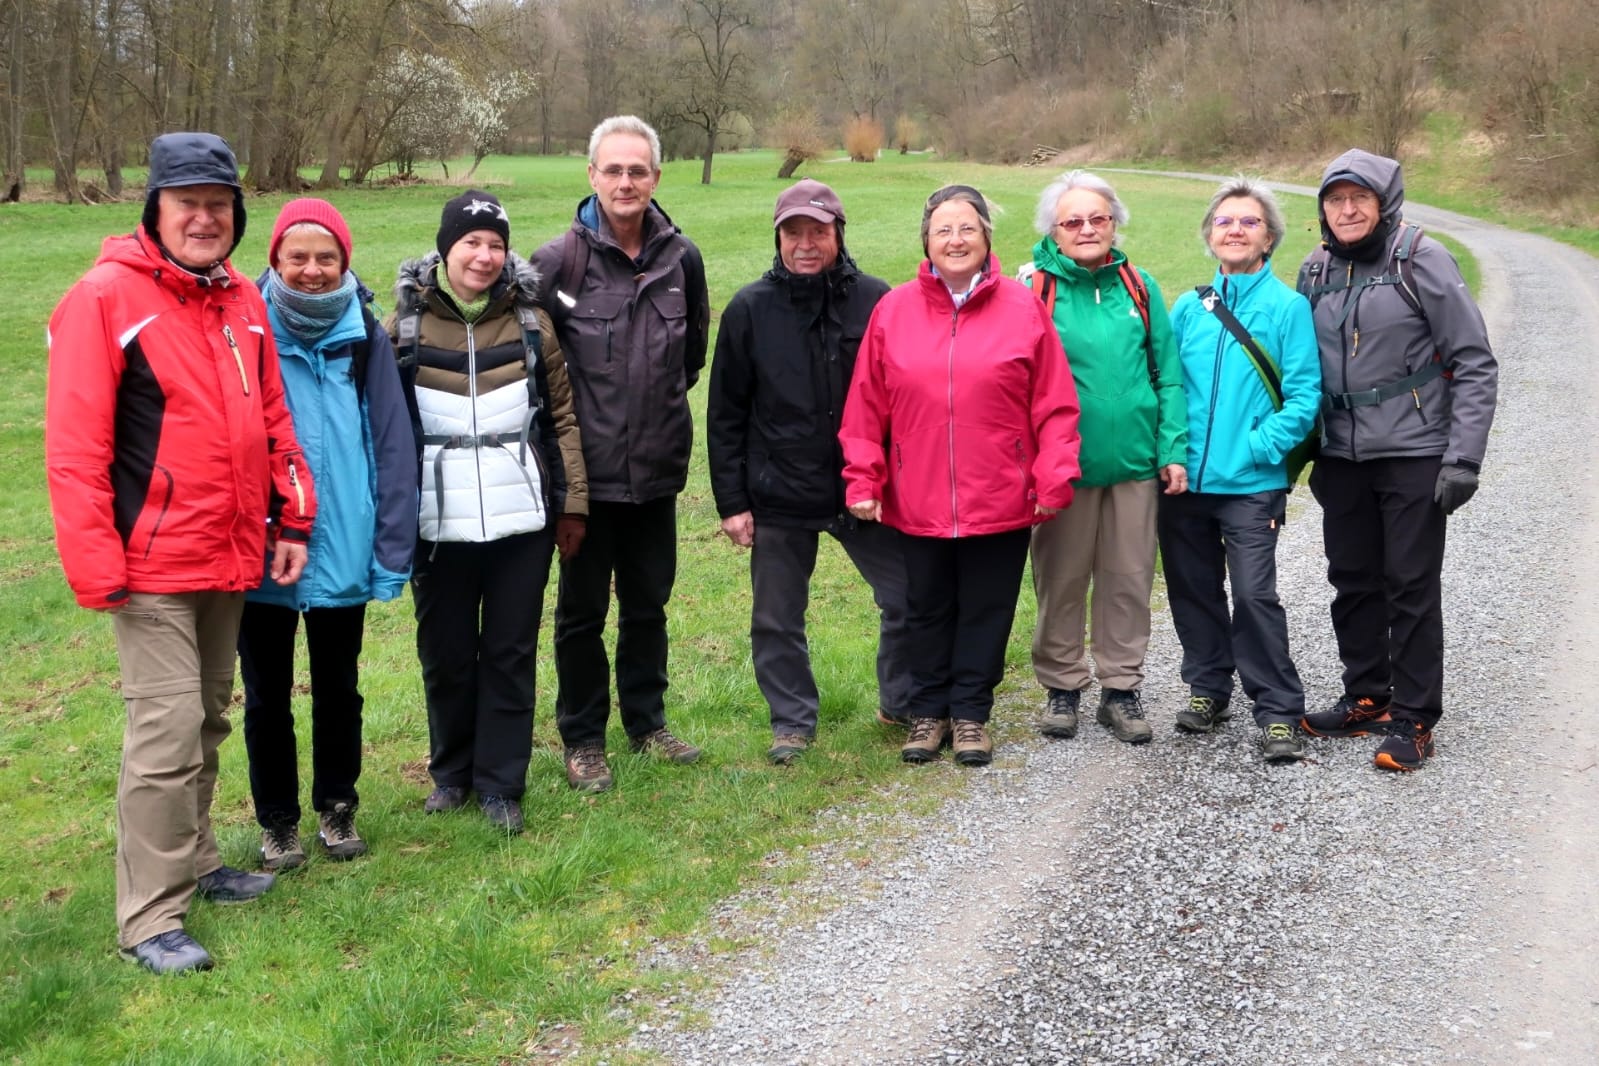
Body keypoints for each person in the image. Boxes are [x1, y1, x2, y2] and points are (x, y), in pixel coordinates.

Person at [45, 132, 317, 974]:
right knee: (162, 739)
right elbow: (74, 447)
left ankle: (197, 864)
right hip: (150, 563)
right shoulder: (105, 297)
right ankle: (147, 919)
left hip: (229, 550)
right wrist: (97, 565)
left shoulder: (240, 298)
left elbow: (274, 418)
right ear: (154, 209)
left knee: (207, 719)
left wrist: (293, 519)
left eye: (219, 204)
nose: (204, 218)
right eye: (187, 203)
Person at [840, 184, 1081, 768]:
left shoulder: (1023, 309)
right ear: (926, 240)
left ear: (986, 238)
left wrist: (1053, 477)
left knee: (986, 607)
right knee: (925, 607)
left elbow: (1054, 403)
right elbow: (866, 406)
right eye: (944, 229)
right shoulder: (893, 311)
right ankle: (928, 714)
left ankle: (971, 714)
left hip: (998, 491)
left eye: (967, 228)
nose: (956, 239)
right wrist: (863, 479)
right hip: (916, 496)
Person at [391, 189, 588, 832]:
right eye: (470, 242)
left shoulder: (532, 323)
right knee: (445, 653)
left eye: (495, 244)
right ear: (446, 247)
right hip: (435, 521)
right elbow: (384, 429)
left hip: (521, 521)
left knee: (509, 652)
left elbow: (561, 417)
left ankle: (502, 782)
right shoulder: (404, 327)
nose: (483, 255)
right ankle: (450, 774)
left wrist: (572, 505)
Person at [1296, 149, 1497, 771]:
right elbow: (1298, 367)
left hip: (1413, 450)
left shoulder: (1421, 258)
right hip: (1342, 454)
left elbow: (1473, 360)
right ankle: (1368, 695)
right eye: (1335, 199)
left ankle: (1413, 719)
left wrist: (1463, 457)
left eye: (1360, 198)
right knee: (1352, 579)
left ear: (1385, 203)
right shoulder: (1315, 268)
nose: (1347, 209)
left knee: (1409, 583)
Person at [237, 199, 417, 870]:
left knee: (339, 687)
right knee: (265, 696)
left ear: (344, 261)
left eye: (326, 258)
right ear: (275, 260)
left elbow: (392, 441)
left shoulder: (365, 335)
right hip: (264, 545)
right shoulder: (245, 326)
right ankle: (276, 821)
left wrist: (392, 541)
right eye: (297, 257)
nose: (311, 271)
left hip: (343, 534)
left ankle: (337, 810)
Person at [707, 179, 911, 765]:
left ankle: (899, 701)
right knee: (776, 618)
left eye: (817, 232)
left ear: (838, 235)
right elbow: (725, 413)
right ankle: (792, 723)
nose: (805, 243)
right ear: (777, 238)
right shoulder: (749, 309)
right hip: (779, 491)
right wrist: (731, 501)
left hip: (863, 489)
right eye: (793, 232)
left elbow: (903, 398)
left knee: (906, 597)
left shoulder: (877, 300)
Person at [532, 116, 709, 792]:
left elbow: (690, 358)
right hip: (587, 482)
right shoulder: (557, 264)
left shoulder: (680, 259)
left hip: (657, 475)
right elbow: (538, 371)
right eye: (613, 170)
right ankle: (582, 739)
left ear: (655, 178)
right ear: (592, 176)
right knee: (581, 614)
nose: (626, 181)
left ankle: (646, 722)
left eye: (638, 170)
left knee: (647, 605)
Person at [1019, 171, 1188, 746]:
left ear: (1115, 223)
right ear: (1054, 232)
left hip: (1136, 466)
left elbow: (1167, 376)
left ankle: (1120, 690)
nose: (1087, 228)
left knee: (1128, 581)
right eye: (1073, 221)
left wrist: (1170, 450)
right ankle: (1062, 688)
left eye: (1098, 218)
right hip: (1061, 470)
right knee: (1060, 580)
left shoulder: (1141, 287)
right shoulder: (1033, 290)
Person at [1161, 178, 1321, 762]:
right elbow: (1170, 385)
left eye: (1248, 222)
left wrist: (1258, 448)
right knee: (1193, 589)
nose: (1235, 229)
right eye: (1225, 221)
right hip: (1184, 485)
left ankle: (1278, 708)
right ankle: (1208, 688)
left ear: (1269, 238)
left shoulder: (1288, 308)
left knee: (1254, 595)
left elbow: (1305, 397)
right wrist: (1172, 452)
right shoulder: (1189, 306)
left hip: (1252, 484)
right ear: (1210, 235)